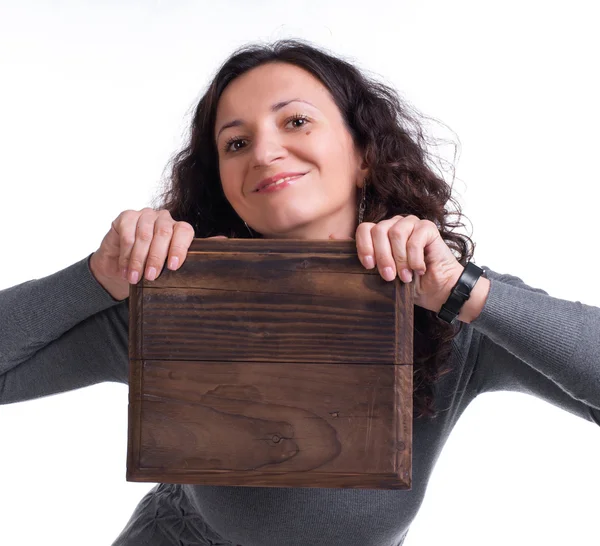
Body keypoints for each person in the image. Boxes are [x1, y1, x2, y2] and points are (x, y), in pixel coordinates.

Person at [1, 39, 598, 546]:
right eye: (236, 143)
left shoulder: (448, 311)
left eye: (295, 121)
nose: (264, 151)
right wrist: (96, 278)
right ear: (226, 186)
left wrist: (464, 292)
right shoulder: (175, 305)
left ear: (364, 154)